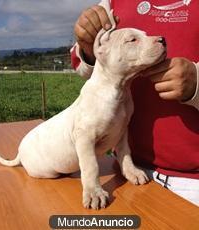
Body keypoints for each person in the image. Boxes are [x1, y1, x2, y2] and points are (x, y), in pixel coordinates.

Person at [71, 0, 199, 206]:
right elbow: (85, 68)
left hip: (193, 183)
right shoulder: (113, 2)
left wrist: (198, 83)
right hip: (126, 171)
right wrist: (87, 45)